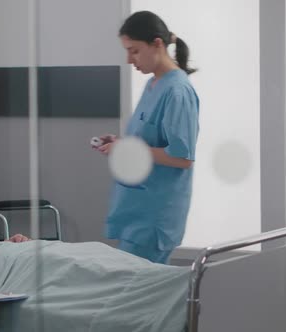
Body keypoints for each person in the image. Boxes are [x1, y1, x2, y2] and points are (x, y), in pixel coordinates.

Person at [93, 11, 199, 264]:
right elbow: (148, 141)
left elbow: (183, 158)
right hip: (135, 213)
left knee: (137, 297)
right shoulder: (154, 84)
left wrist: (127, 149)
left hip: (153, 219)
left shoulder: (177, 91)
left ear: (157, 44)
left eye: (134, 50)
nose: (129, 59)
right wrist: (119, 143)